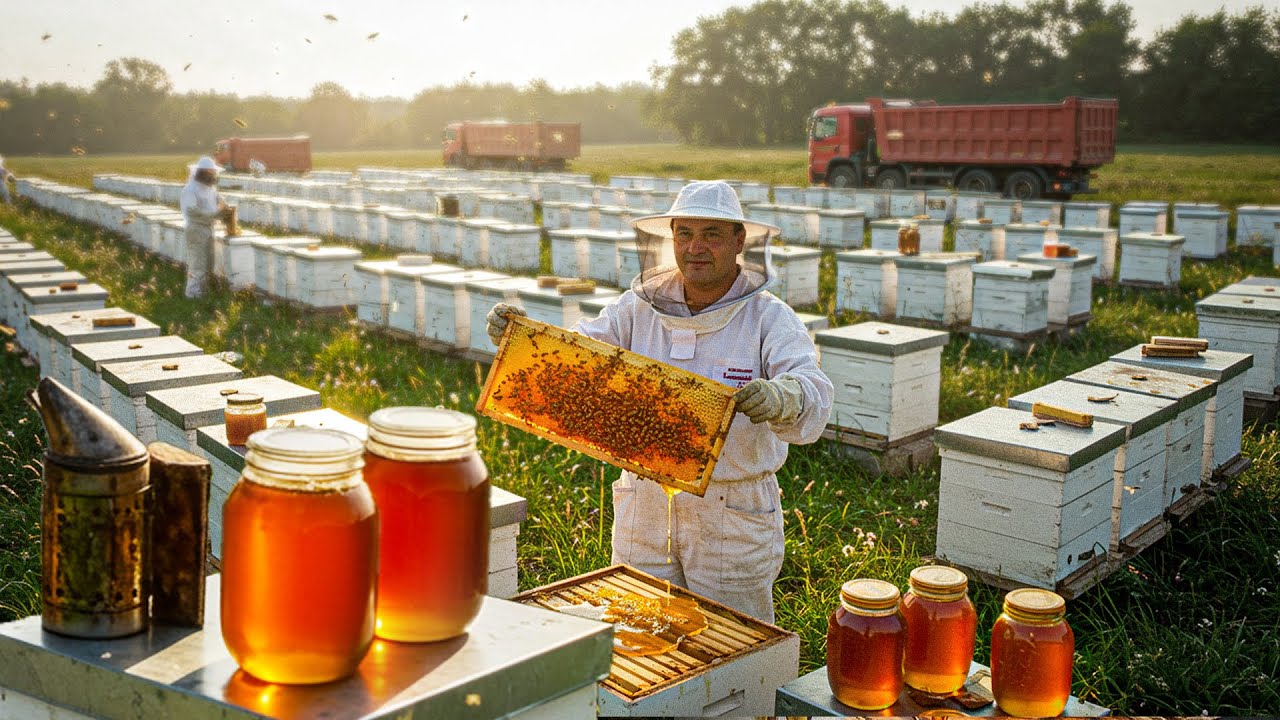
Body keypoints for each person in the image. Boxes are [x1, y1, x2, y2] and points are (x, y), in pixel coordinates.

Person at [486, 180, 833, 622]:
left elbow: (812, 386)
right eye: (684, 233)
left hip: (730, 511)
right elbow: (577, 354)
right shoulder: (637, 308)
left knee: (735, 640)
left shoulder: (769, 317)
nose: (695, 247)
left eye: (711, 234)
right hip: (644, 502)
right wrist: (523, 340)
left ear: (739, 241)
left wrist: (786, 395)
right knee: (637, 630)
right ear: (671, 239)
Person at [179, 156, 226, 298]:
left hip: (208, 228)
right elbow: (191, 211)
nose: (212, 175)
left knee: (209, 263)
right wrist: (214, 214)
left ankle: (203, 293)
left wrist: (226, 208)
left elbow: (219, 201)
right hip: (196, 229)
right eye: (209, 172)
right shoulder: (190, 189)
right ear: (201, 172)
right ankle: (193, 294)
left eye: (213, 173)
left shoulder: (210, 188)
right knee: (198, 263)